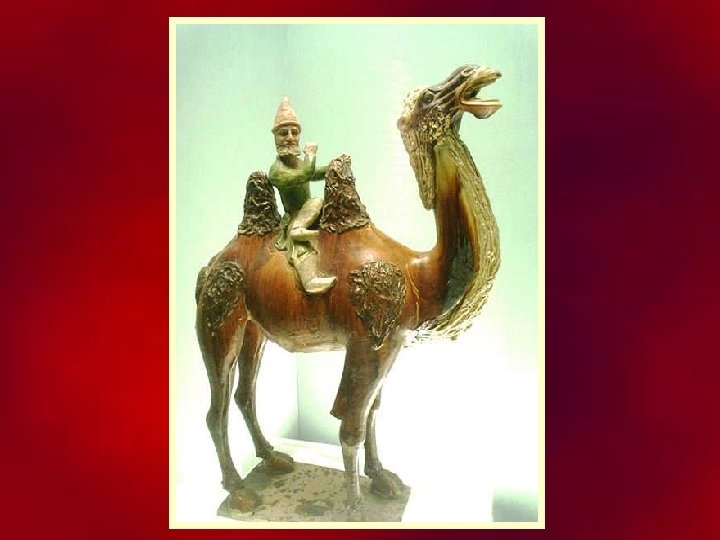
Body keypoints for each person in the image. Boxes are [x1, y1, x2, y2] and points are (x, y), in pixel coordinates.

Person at [268, 97, 336, 294]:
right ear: (275, 137)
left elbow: (314, 173)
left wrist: (334, 166)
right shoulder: (277, 171)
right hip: (295, 217)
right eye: (283, 133)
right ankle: (309, 279)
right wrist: (311, 155)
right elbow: (305, 174)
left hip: (310, 214)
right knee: (316, 201)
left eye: (294, 132)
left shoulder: (298, 163)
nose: (290, 137)